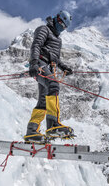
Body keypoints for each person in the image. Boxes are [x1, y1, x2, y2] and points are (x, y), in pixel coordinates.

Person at [24, 11, 74, 141]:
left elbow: (55, 58)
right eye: (62, 25)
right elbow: (36, 45)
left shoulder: (58, 40)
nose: (62, 29)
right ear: (57, 20)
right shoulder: (43, 29)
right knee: (53, 84)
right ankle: (53, 125)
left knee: (43, 102)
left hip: (48, 67)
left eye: (65, 27)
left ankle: (31, 132)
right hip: (39, 63)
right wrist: (34, 63)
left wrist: (64, 67)